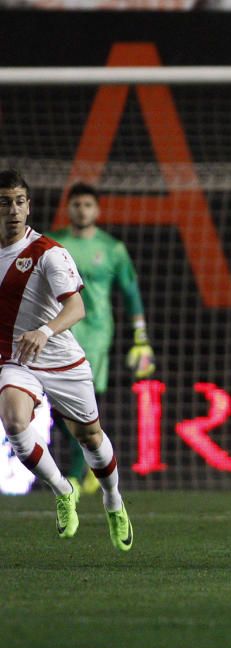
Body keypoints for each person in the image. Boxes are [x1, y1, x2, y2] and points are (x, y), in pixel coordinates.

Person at [0, 169, 133, 551]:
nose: (13, 210)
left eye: (20, 202)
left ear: (29, 207)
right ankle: (62, 491)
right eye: (5, 202)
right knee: (13, 420)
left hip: (60, 356)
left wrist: (44, 331)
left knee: (90, 437)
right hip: (16, 358)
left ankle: (113, 500)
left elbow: (75, 308)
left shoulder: (48, 253)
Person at [48, 183, 156, 496]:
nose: (82, 210)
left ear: (97, 210)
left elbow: (131, 292)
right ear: (69, 209)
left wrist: (141, 338)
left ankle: (76, 475)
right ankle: (89, 467)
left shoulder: (112, 249)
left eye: (87, 205)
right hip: (59, 332)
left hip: (96, 334)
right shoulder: (54, 244)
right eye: (77, 204)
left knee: (85, 404)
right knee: (61, 407)